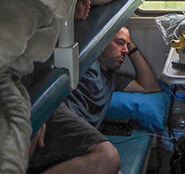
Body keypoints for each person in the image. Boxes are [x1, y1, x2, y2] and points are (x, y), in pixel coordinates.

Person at [28, 26, 161, 173]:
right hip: (53, 120)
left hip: (73, 143)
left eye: (127, 46)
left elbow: (150, 87)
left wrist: (132, 47)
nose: (126, 50)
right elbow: (40, 68)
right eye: (120, 43)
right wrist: (41, 110)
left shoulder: (112, 80)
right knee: (108, 157)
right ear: (102, 40)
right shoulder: (83, 63)